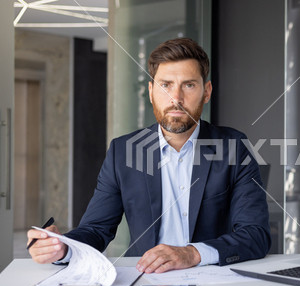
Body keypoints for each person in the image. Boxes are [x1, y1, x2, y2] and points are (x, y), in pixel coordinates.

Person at [27, 38, 271, 273]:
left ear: (206, 92)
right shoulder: (123, 151)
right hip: (147, 281)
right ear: (151, 91)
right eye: (166, 85)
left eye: (189, 84)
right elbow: (96, 229)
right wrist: (63, 248)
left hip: (215, 281)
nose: (176, 98)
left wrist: (192, 253)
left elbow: (255, 234)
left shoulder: (235, 147)